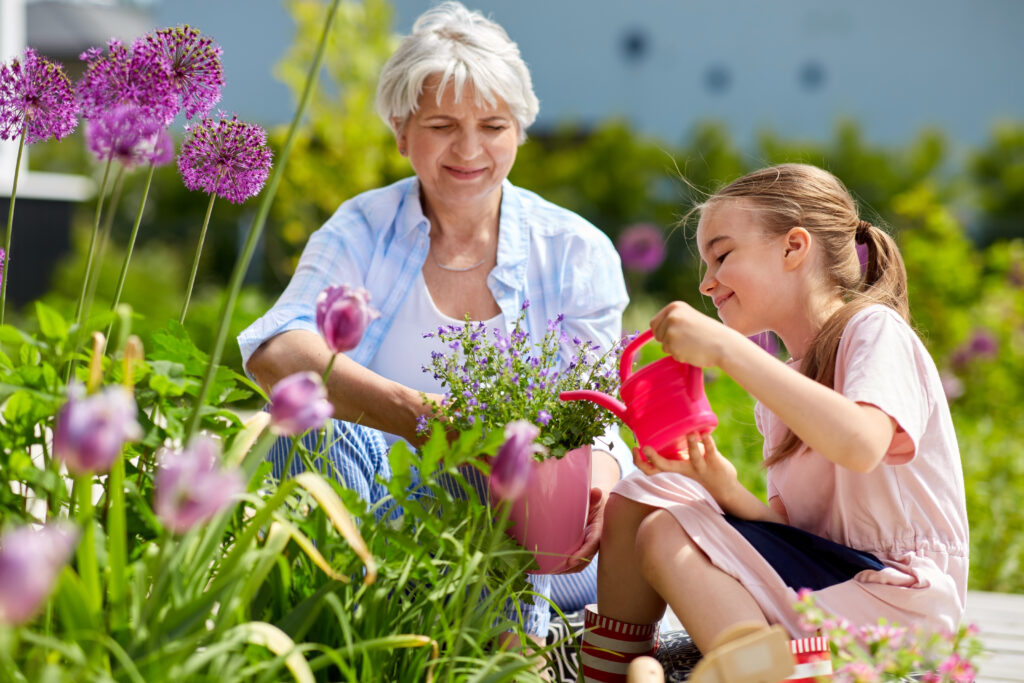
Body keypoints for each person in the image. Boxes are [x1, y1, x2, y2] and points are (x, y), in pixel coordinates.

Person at [237, 1, 631, 649]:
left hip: (533, 532)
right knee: (307, 423)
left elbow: (600, 408)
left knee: (508, 469)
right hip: (377, 513)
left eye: (494, 125)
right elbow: (278, 349)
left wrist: (597, 478)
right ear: (401, 132)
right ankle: (336, 631)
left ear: (521, 132)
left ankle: (506, 650)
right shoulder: (363, 226)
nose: (470, 150)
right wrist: (430, 419)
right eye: (442, 125)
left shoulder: (574, 249)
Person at [581, 164, 969, 683]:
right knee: (641, 492)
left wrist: (725, 349)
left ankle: (757, 669)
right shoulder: (785, 382)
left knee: (664, 530)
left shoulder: (873, 329)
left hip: (897, 604)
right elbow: (795, 533)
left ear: (793, 248)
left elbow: (861, 443)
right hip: (829, 584)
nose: (706, 281)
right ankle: (612, 671)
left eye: (722, 255)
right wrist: (722, 487)